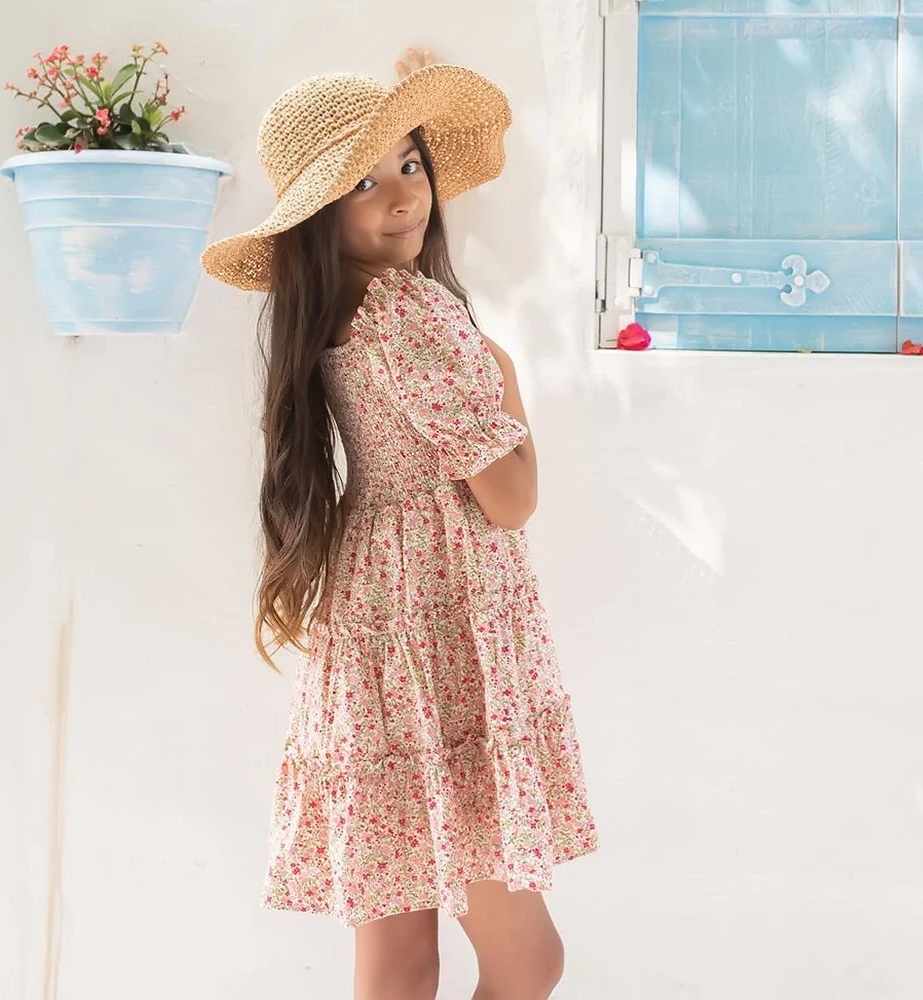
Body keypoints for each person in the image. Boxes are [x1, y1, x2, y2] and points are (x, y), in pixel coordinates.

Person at [199, 46, 599, 1000]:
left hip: (379, 627)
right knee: (528, 960)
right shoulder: (411, 314)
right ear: (318, 216)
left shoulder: (340, 314)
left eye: (410, 163)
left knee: (398, 963)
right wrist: (503, 374)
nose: (403, 195)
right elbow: (511, 499)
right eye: (363, 182)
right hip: (442, 630)